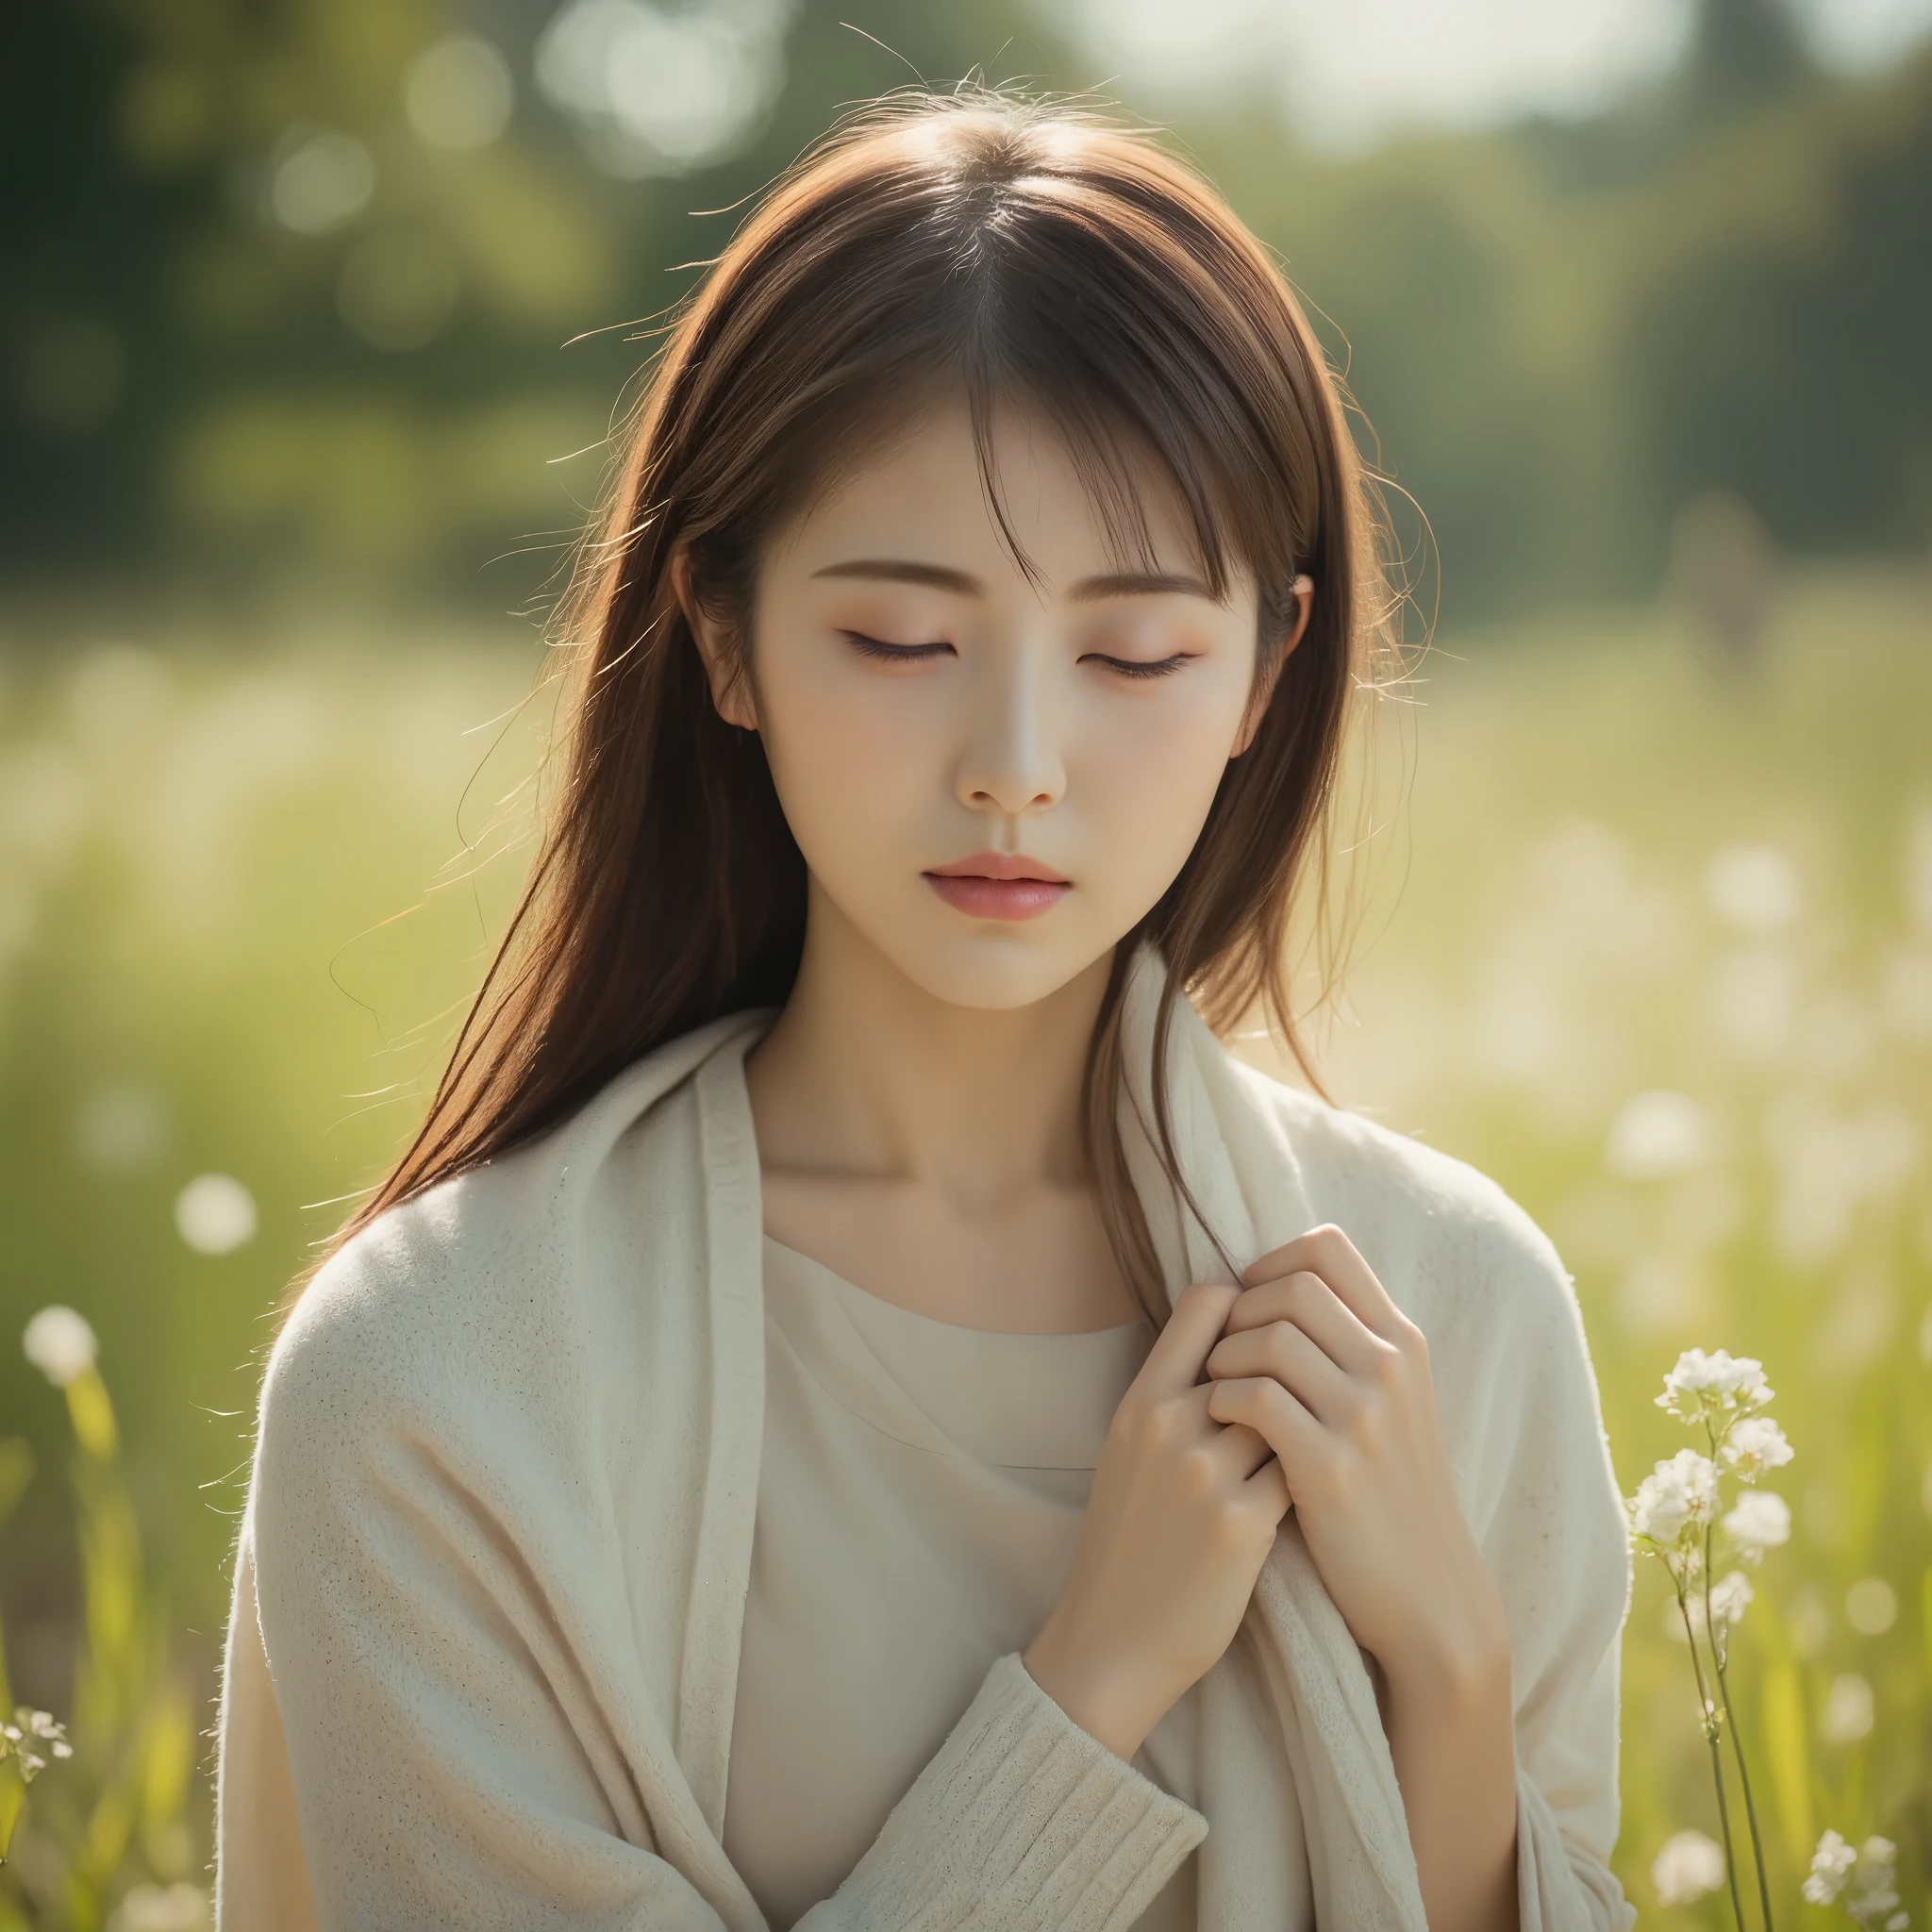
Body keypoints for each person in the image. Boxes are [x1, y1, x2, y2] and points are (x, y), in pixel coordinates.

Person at [215, 92, 1636, 1932]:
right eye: (899, 638)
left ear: (1265, 680)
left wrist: (1443, 1670)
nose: (1016, 768)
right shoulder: (440, 1386)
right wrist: (1082, 1695)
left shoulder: (1457, 1312)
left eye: (1133, 655)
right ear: (719, 634)